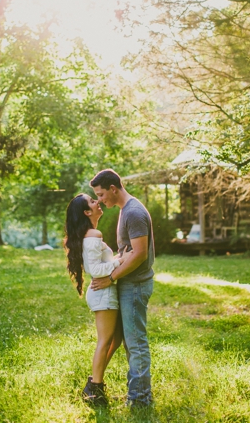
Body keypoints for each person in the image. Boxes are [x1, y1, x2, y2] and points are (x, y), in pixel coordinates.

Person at [89, 169, 155, 408]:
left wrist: (111, 278)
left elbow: (139, 254)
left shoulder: (133, 212)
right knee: (128, 341)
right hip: (129, 283)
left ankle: (140, 400)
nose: (100, 200)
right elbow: (127, 252)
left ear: (113, 189)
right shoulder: (126, 210)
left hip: (135, 285)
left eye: (101, 194)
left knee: (136, 343)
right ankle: (134, 394)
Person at [63, 193, 126, 406]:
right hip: (103, 292)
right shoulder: (93, 234)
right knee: (105, 341)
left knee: (115, 339)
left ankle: (93, 383)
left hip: (103, 292)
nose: (97, 202)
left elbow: (100, 262)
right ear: (87, 212)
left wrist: (119, 257)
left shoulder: (90, 234)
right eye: (92, 201)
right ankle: (94, 390)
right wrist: (120, 263)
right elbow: (95, 269)